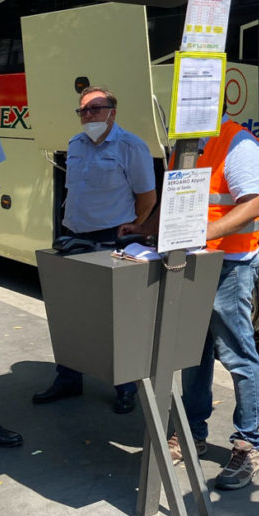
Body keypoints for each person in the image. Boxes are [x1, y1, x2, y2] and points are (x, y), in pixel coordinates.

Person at [159, 112, 259, 491]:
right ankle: (191, 433)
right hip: (193, 263)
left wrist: (208, 232)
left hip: (231, 266)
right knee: (194, 352)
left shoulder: (238, 144)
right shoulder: (186, 145)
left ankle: (248, 445)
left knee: (238, 355)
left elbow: (253, 204)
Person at [32, 87, 156, 415]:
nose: (88, 116)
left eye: (95, 109)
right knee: (71, 313)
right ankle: (69, 378)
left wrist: (133, 227)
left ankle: (125, 387)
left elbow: (147, 198)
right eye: (83, 111)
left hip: (109, 242)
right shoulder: (75, 145)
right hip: (74, 239)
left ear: (113, 112)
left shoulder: (131, 147)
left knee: (114, 320)